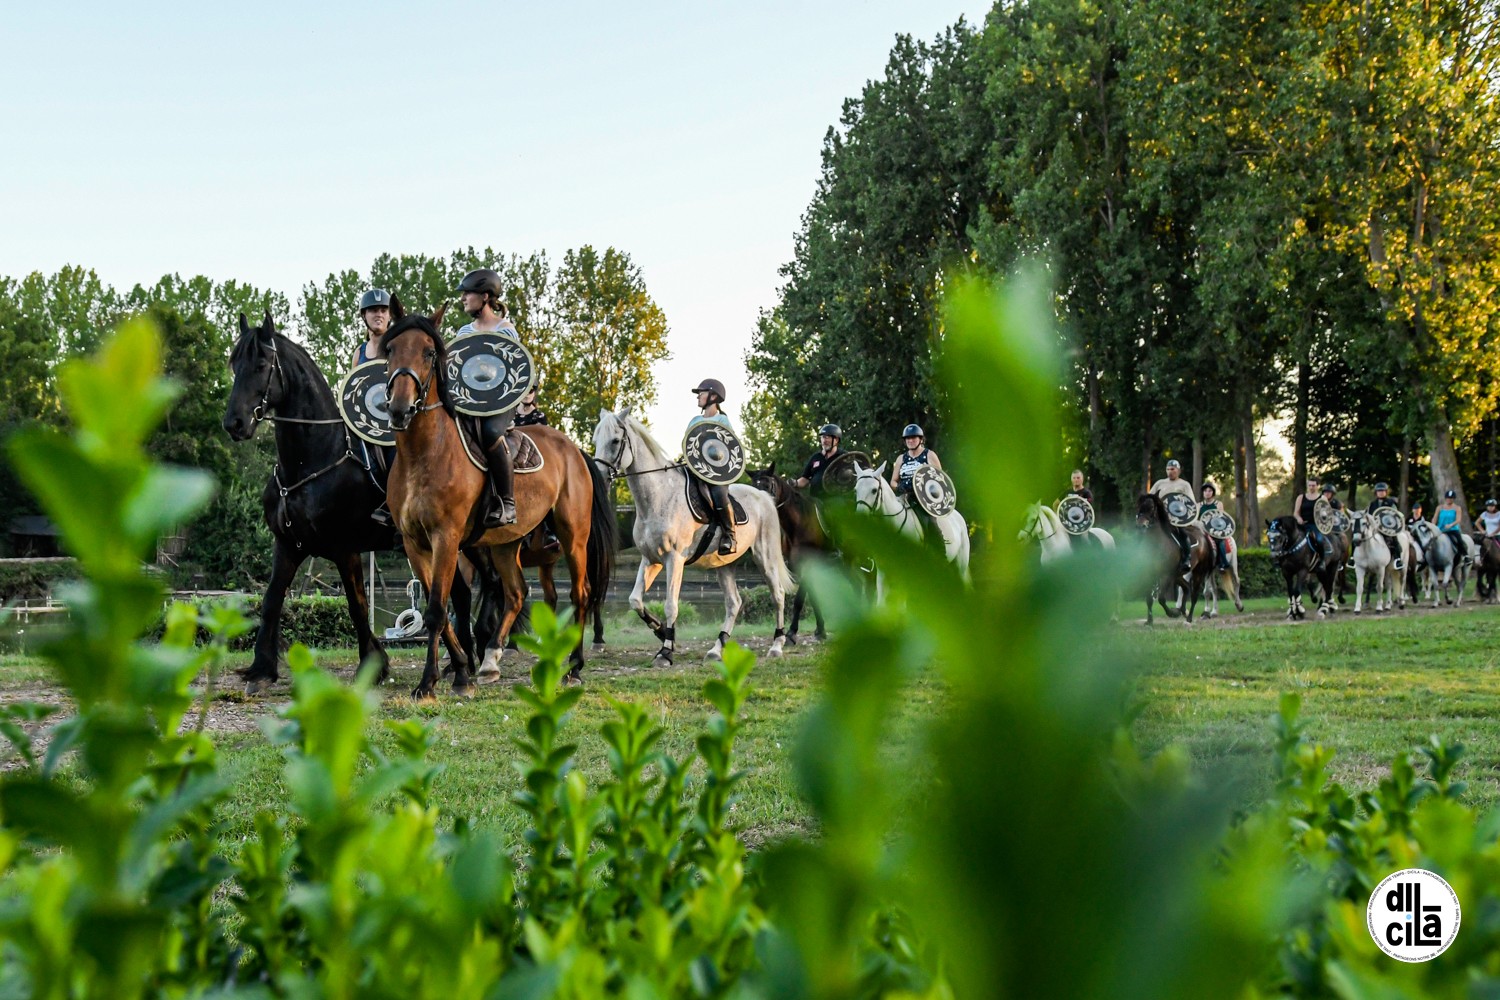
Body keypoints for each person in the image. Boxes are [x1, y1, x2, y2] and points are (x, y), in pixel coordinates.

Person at [454, 268, 521, 527]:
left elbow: (515, 370)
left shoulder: (506, 330)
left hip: (501, 402)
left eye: (467, 294)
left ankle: (507, 503)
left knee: (492, 432)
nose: (463, 299)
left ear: (484, 297)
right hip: (470, 403)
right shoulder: (463, 333)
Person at [688, 378, 738, 556]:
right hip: (695, 468)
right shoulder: (694, 420)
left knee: (719, 493)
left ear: (713, 396)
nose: (698, 396)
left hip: (717, 472)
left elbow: (730, 448)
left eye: (702, 393)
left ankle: (730, 536)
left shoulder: (722, 420)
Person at [1149, 459, 1196, 575]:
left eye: (1173, 469)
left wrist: (1187, 519)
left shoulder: (1184, 485)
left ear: (1178, 470)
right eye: (1168, 469)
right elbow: (1150, 498)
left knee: (1183, 534)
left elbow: (1191, 502)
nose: (1170, 472)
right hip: (1160, 518)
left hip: (1177, 520)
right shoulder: (1160, 483)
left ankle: (1186, 559)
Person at [890, 424, 943, 502]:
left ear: (921, 439)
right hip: (905, 498)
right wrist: (899, 487)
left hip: (926, 499)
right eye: (908, 438)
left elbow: (940, 478)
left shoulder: (930, 455)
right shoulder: (900, 458)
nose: (910, 440)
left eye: (914, 437)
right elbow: (893, 481)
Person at [1292, 476, 1334, 565]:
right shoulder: (1301, 497)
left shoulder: (1322, 498)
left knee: (1319, 540)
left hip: (1316, 525)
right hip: (1302, 525)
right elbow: (1296, 512)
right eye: (1310, 485)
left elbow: (1327, 514)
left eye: (1313, 485)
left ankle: (1322, 561)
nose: (1311, 487)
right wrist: (1299, 518)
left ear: (1318, 486)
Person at [795, 424, 845, 494]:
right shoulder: (816, 457)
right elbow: (805, 479)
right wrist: (794, 483)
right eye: (823, 437)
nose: (824, 441)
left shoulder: (844, 457)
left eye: (828, 437)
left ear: (836, 440)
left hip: (837, 499)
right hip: (815, 500)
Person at [1366, 481, 1404, 569]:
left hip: (1388, 528)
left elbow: (1395, 515)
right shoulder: (1372, 504)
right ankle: (1354, 558)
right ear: (1376, 492)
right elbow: (1369, 515)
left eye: (1383, 491)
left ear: (1386, 492)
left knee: (1394, 538)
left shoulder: (1391, 502)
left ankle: (1398, 559)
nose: (1381, 493)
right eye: (1379, 491)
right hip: (1374, 527)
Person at [353, 288, 392, 367]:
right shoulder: (359, 352)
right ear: (364, 315)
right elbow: (353, 378)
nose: (379, 315)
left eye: (383, 311)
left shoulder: (398, 348)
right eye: (374, 310)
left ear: (390, 316)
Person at [1199, 482, 1229, 571]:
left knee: (1220, 542)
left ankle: (1223, 563)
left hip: (1214, 530)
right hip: (1201, 529)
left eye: (1209, 491)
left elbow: (1221, 517)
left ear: (1213, 493)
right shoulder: (1198, 505)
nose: (1207, 493)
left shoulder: (1218, 504)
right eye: (1205, 491)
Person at [1435, 489, 1469, 563]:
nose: (1449, 500)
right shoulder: (1439, 508)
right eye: (1448, 498)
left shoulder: (1457, 508)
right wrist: (1433, 526)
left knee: (1459, 540)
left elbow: (1458, 519)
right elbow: (1434, 518)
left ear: (1453, 499)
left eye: (1451, 498)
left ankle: (1465, 555)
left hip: (1452, 529)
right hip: (1440, 529)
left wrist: (1451, 525)